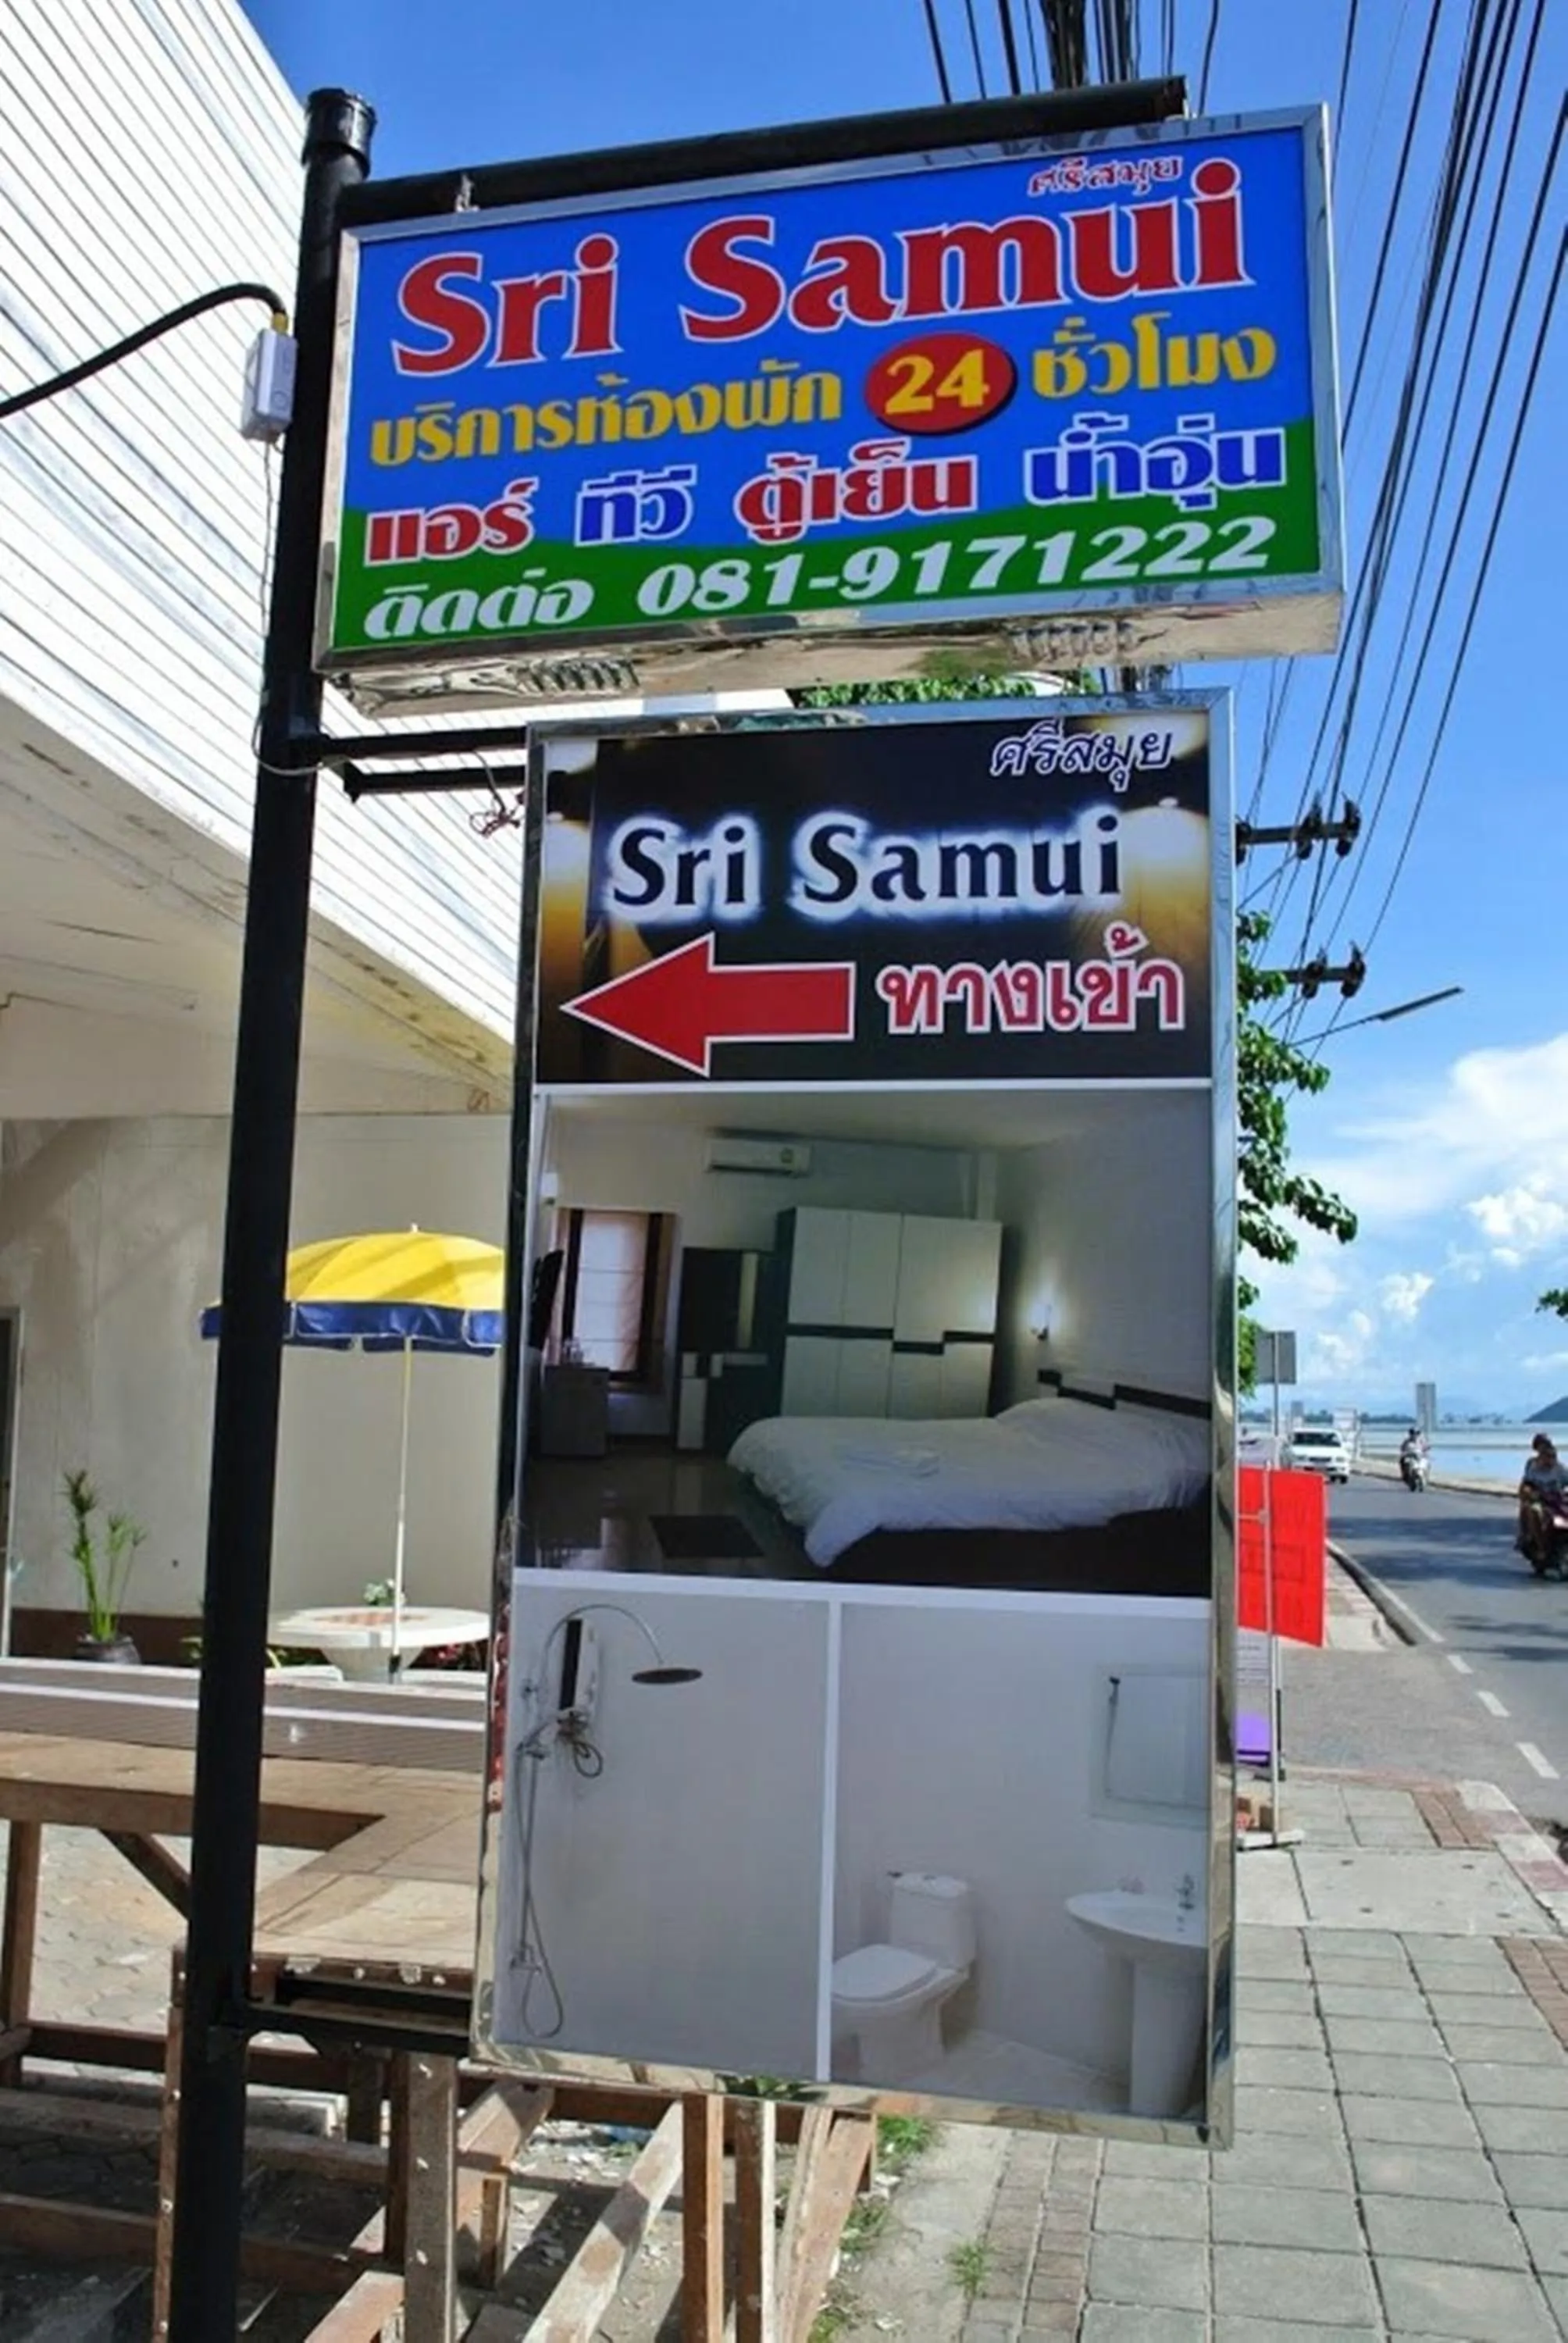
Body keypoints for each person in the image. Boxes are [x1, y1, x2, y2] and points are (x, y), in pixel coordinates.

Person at [1517, 1433, 1568, 1562]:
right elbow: (1525, 1486)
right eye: (1548, 1456)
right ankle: (1541, 1547)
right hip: (1540, 1500)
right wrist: (1530, 1493)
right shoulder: (1533, 1467)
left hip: (1557, 1501)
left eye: (1553, 1456)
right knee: (1533, 1511)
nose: (1551, 1459)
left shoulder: (1560, 1469)